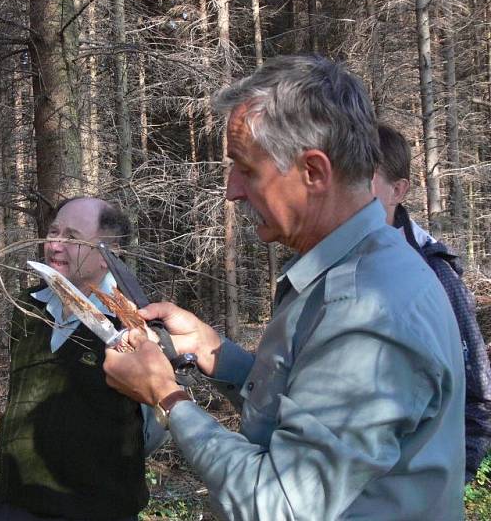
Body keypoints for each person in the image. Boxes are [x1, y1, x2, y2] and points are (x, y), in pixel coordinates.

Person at [103, 55, 466, 520]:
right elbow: (308, 409)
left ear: (313, 172)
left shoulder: (366, 305)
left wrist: (166, 395)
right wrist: (218, 354)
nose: (232, 191)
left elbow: (277, 505)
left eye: (247, 169)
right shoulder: (348, 272)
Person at [0, 197, 165, 521]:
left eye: (71, 237)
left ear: (108, 252)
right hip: (15, 502)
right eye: (53, 231)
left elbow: (157, 423)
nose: (55, 244)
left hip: (98, 510)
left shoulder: (132, 323)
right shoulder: (28, 306)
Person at [373, 123, 491, 482]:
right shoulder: (326, 267)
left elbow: (478, 394)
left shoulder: (435, 274)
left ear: (398, 190)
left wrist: (454, 482)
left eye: (364, 179)